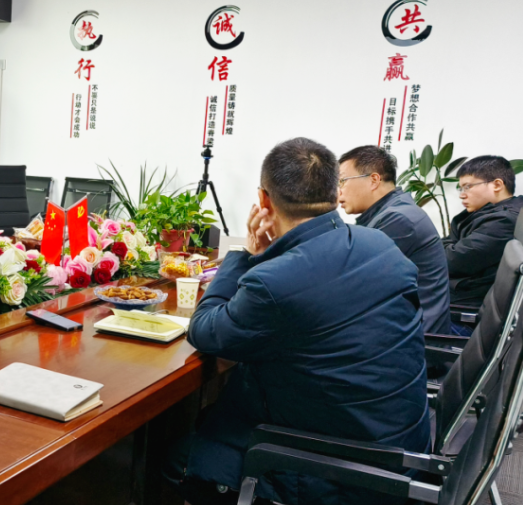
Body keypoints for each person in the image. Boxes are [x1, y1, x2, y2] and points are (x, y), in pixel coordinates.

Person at [165, 138, 429, 505]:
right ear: (334, 193)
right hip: (402, 453)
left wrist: (244, 253)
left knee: (176, 456)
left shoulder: (274, 282)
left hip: (338, 475)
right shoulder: (379, 244)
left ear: (264, 200)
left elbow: (206, 330)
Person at [338, 145, 451, 334]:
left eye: (342, 181)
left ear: (374, 180)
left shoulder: (399, 220)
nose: (338, 192)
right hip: (401, 325)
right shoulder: (390, 212)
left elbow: (351, 281)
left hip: (414, 338)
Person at [444, 155, 523, 310]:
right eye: (461, 188)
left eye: (468, 187)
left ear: (497, 185)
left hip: (465, 304)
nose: (462, 195)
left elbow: (451, 261)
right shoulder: (483, 214)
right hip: (457, 295)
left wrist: (449, 245)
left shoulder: (504, 221)